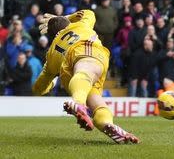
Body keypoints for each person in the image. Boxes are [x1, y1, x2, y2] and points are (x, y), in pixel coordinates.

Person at [32, 10, 139, 144]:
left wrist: (52, 83)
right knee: (86, 75)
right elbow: (88, 13)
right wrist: (67, 17)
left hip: (74, 78)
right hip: (89, 54)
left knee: (92, 97)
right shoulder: (81, 25)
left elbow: (38, 88)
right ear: (68, 23)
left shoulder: (51, 53)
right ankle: (81, 106)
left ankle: (104, 122)